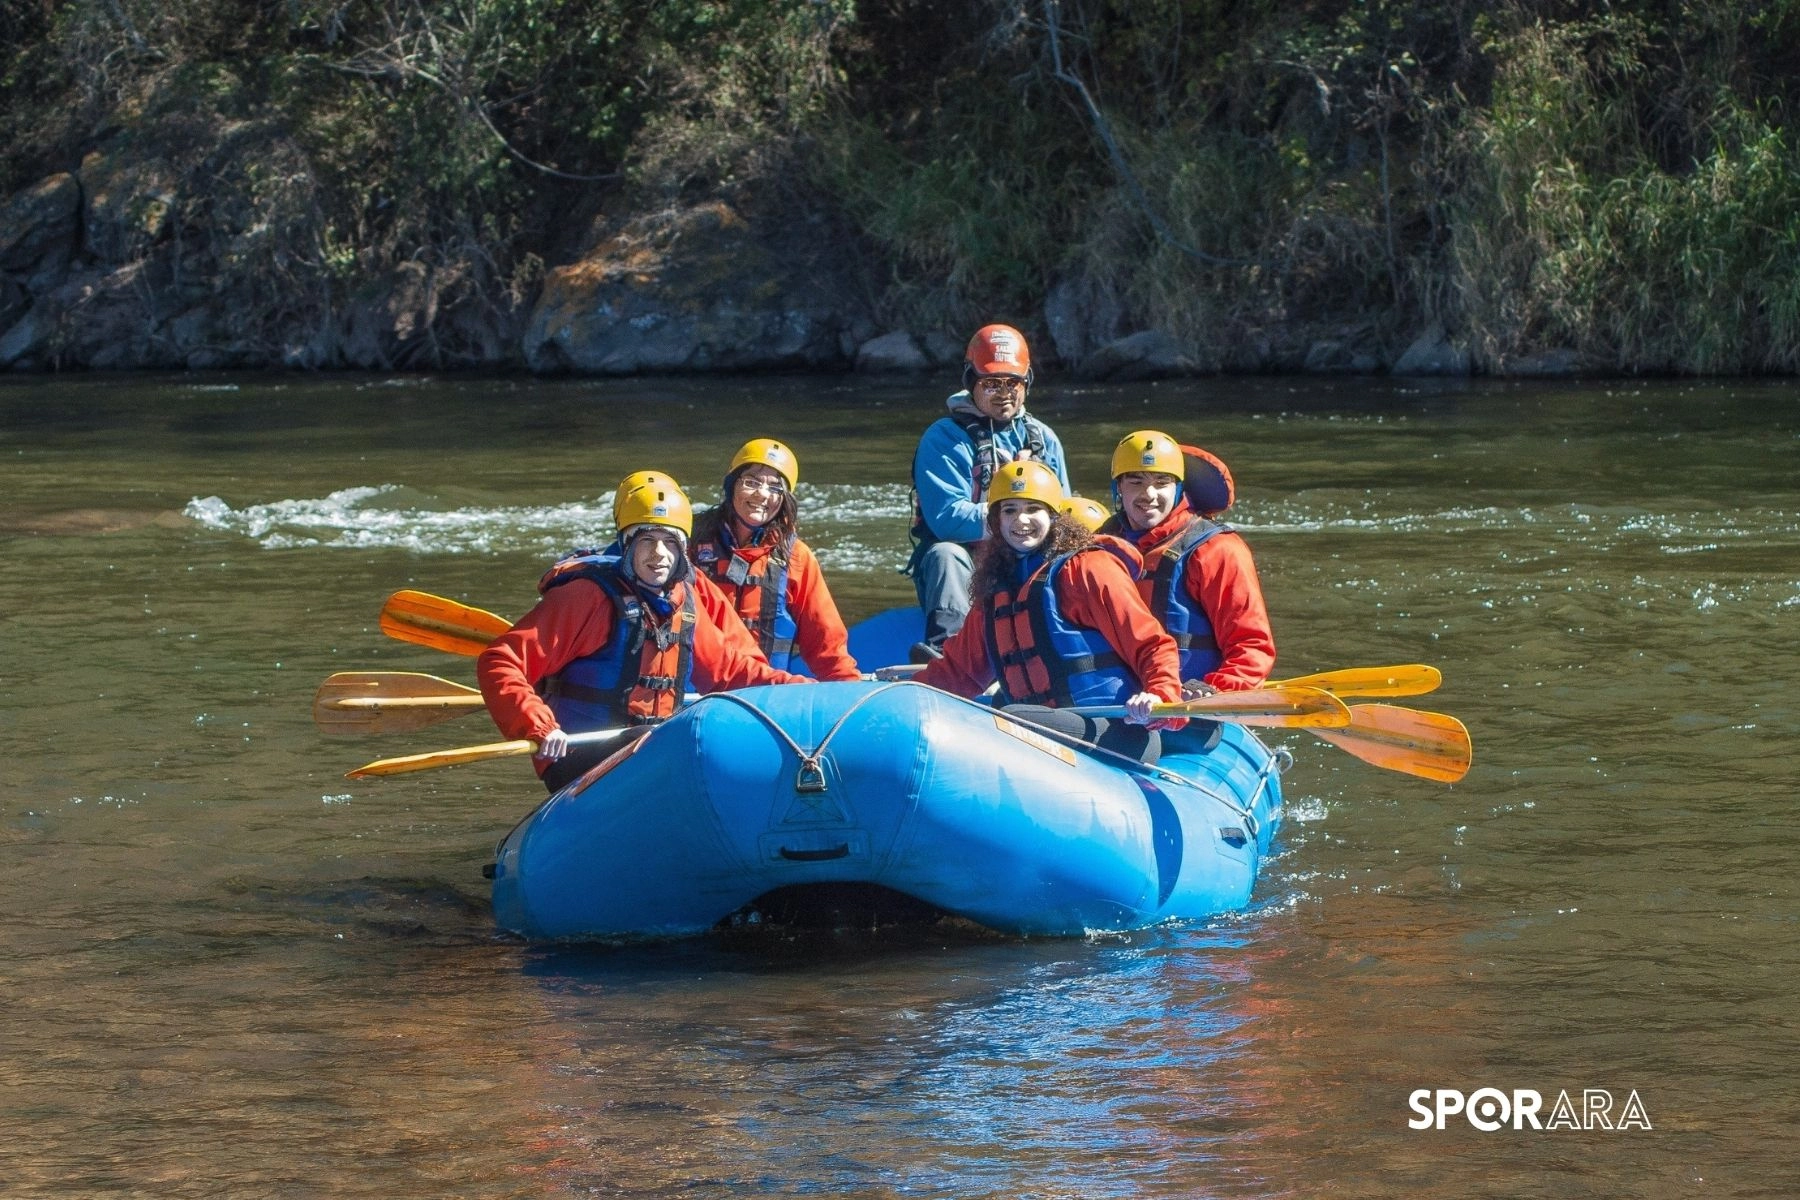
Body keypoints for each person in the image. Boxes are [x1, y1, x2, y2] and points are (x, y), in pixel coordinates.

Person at [477, 472, 812, 792]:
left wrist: (809, 691)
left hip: (648, 748)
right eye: (647, 540)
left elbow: (732, 673)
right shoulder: (586, 598)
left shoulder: (685, 600)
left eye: (670, 542)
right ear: (627, 545)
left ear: (683, 550)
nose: (659, 555)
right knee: (665, 742)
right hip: (579, 757)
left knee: (688, 742)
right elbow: (499, 662)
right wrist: (537, 724)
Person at [915, 459, 1186, 763]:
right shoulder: (996, 590)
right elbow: (958, 672)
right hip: (1043, 731)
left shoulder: (1087, 569)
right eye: (1010, 510)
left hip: (1116, 731)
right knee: (1000, 703)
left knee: (1007, 716)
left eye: (1033, 509)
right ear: (996, 521)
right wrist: (904, 700)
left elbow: (1153, 645)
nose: (1021, 521)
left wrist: (1160, 694)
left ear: (1054, 517)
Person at [906, 323, 1069, 662]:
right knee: (944, 554)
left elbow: (1064, 514)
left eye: (1013, 383)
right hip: (967, 561)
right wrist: (1010, 501)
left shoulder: (1044, 439)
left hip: (1029, 555)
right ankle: (947, 653)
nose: (1004, 392)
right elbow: (948, 520)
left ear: (1027, 383)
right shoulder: (944, 438)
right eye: (991, 383)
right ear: (971, 382)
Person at [1101, 430, 1275, 692]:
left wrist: (1214, 692)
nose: (1149, 494)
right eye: (1135, 482)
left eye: (1162, 482)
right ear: (1118, 488)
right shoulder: (1101, 546)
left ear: (1179, 488)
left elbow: (1251, 645)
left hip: (1193, 701)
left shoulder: (1217, 550)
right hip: (1120, 701)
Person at [690, 438, 861, 681]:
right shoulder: (688, 542)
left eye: (775, 488)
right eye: (751, 482)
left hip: (765, 692)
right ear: (731, 486)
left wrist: (849, 690)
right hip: (694, 692)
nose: (762, 494)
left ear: (784, 500)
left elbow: (827, 644)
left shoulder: (797, 558)